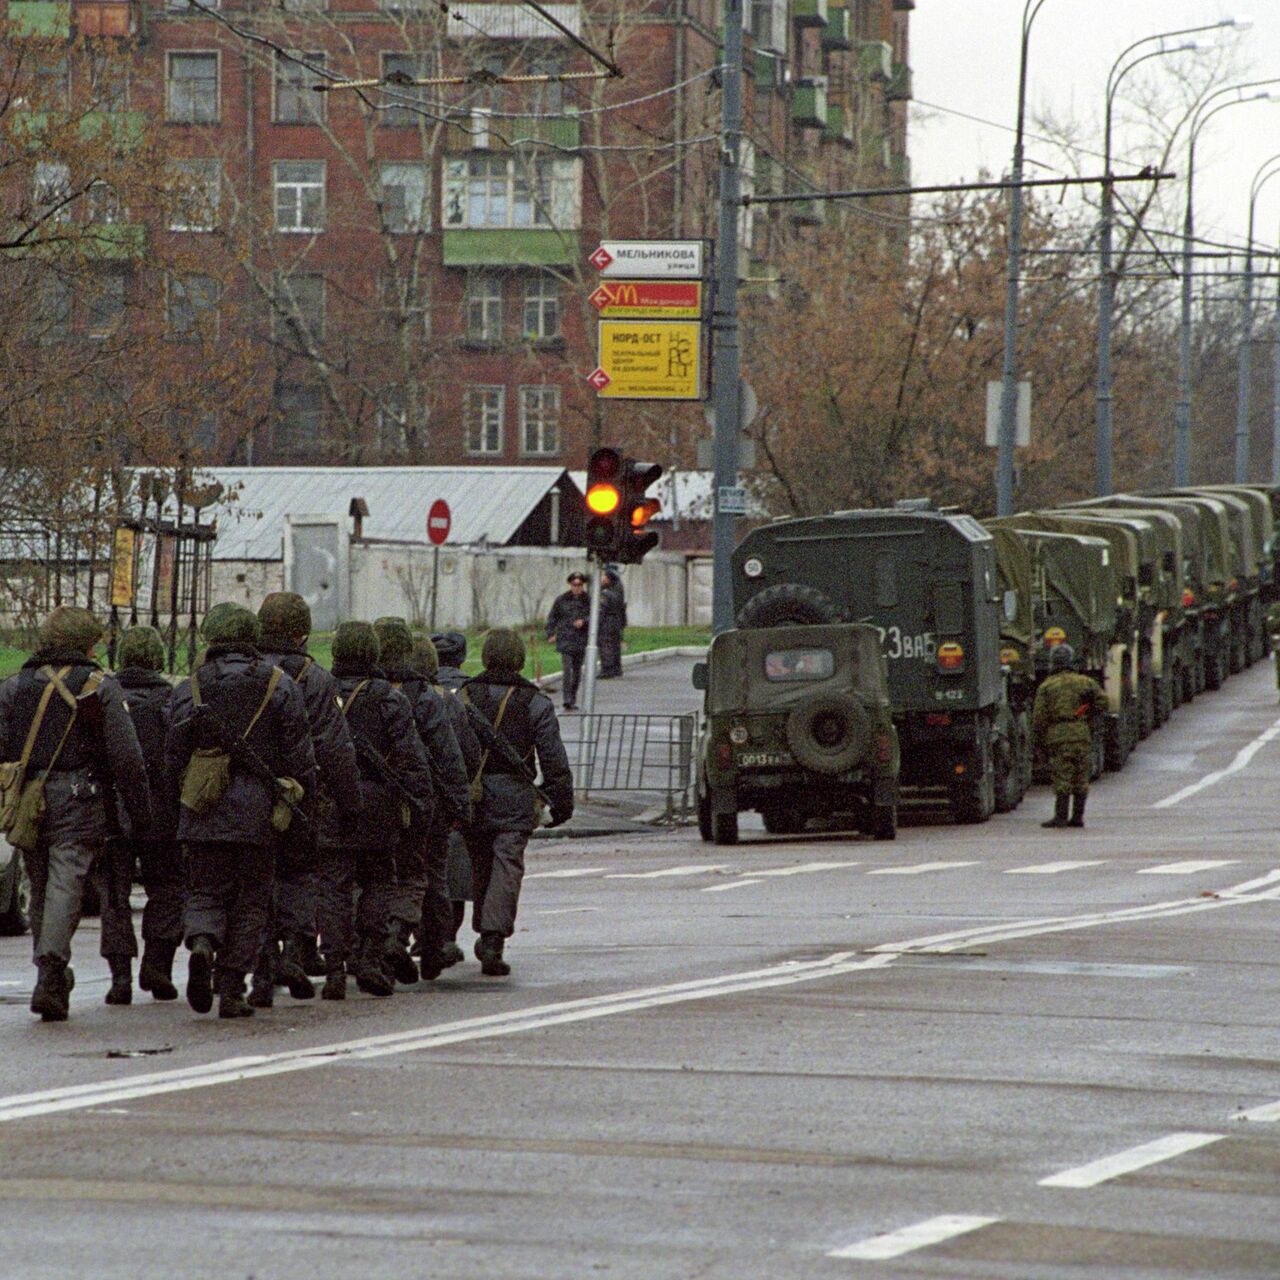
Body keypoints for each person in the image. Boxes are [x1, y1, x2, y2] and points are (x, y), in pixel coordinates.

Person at [0, 606, 151, 1022]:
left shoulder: (15, 686)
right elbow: (128, 758)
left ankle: (48, 969)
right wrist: (141, 815)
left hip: (27, 799)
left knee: (41, 879)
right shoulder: (98, 686)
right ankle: (50, 972)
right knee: (66, 882)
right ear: (88, 644)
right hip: (79, 796)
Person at [166, 604, 316, 1018]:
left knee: (204, 891)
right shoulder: (279, 686)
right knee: (252, 900)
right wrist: (303, 808)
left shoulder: (189, 688)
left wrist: (175, 808)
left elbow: (173, 757)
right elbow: (298, 756)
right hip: (258, 812)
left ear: (211, 637)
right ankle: (231, 987)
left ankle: (202, 942)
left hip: (201, 808)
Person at [251, 592, 362, 1008]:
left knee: (259, 880)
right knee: (300, 875)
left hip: (253, 793)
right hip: (303, 793)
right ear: (302, 634)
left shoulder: (251, 669)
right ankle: (296, 951)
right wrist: (350, 803)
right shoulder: (316, 679)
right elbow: (336, 747)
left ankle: (262, 964)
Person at [316, 622, 432, 1000]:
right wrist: (419, 807)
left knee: (334, 887)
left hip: (331, 803)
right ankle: (368, 954)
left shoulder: (319, 692)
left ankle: (334, 968)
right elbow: (411, 759)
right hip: (379, 807)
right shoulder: (389, 698)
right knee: (379, 882)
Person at [462, 628, 574, 976]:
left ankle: (485, 927)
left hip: (473, 795)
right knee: (507, 865)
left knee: (481, 863)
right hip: (515, 796)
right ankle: (493, 937)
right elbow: (552, 757)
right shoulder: (534, 701)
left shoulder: (464, 696)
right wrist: (561, 800)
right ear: (520, 659)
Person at [373, 616, 463, 984]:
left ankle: (375, 946)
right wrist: (458, 802)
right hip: (426, 801)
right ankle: (431, 944)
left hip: (375, 802)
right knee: (429, 875)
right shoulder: (426, 696)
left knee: (378, 877)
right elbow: (449, 753)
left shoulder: (359, 690)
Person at [111, 625, 182, 1004]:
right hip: (161, 810)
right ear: (157, 659)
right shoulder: (171, 700)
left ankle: (119, 976)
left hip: (113, 810)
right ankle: (158, 964)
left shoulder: (105, 697)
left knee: (114, 893)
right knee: (168, 886)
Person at [431, 630, 479, 967]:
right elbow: (470, 749)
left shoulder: (415, 689)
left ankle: (426, 938)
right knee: (457, 873)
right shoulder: (470, 691)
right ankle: (445, 938)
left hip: (421, 794)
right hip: (456, 792)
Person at [1031, 643, 1108, 830]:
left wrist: (1038, 740)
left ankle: (1060, 817)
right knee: (1081, 777)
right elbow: (1103, 702)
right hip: (1081, 733)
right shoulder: (1085, 682)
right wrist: (1085, 713)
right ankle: (1078, 817)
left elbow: (1039, 717)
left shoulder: (1047, 686)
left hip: (1058, 736)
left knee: (1062, 776)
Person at [546, 572, 590, 711]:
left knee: (577, 672)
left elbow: (596, 616)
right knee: (567, 670)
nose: (577, 587)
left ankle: (572, 698)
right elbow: (553, 617)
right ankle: (567, 699)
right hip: (565, 638)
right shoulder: (562, 600)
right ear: (570, 585)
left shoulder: (588, 600)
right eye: (574, 585)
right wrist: (551, 634)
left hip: (580, 639)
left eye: (579, 585)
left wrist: (584, 621)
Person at [599, 568, 627, 679]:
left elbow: (602, 609)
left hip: (608, 621)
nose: (601, 578)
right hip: (617, 620)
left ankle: (607, 669)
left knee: (605, 644)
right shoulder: (618, 588)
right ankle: (616, 668)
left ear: (609, 578)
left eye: (603, 576)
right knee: (615, 645)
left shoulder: (606, 593)